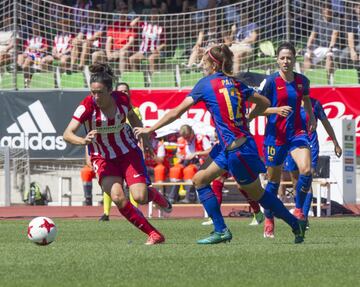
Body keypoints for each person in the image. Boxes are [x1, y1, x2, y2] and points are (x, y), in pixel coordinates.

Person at [135, 44, 307, 244]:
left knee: (258, 194)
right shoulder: (236, 83)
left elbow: (176, 112)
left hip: (237, 150)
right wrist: (249, 116)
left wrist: (150, 129)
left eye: (204, 61)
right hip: (232, 145)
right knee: (199, 180)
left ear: (214, 64)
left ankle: (295, 224)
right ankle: (220, 229)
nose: (202, 64)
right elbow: (265, 103)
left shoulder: (205, 84)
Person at [63, 63, 172, 245]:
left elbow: (133, 117)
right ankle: (154, 234)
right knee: (118, 197)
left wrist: (144, 138)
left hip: (128, 152)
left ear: (110, 90)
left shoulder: (121, 98)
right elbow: (67, 134)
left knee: (140, 197)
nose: (96, 96)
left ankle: (156, 197)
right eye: (93, 92)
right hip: (102, 157)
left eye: (100, 92)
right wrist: (83, 141)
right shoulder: (86, 106)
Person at [258, 41, 317, 239]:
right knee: (273, 182)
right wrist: (275, 110)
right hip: (275, 136)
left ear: (294, 60)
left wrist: (312, 118)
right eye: (282, 58)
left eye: (289, 58)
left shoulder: (302, 81)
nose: (285, 61)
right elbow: (255, 109)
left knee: (307, 170)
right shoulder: (269, 82)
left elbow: (307, 101)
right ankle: (269, 219)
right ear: (277, 60)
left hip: (297, 133)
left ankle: (299, 209)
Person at [283, 97, 342, 223]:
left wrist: (336, 143)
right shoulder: (290, 102)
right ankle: (300, 210)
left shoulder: (315, 104)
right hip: (292, 146)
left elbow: (326, 123)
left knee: (307, 178)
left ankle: (304, 214)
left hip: (310, 146)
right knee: (295, 181)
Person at [98, 81, 143, 221]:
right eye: (121, 91)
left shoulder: (134, 111)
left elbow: (136, 129)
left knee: (132, 186)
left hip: (129, 151)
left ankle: (135, 211)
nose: (123, 93)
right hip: (110, 152)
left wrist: (142, 145)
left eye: (126, 91)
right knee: (111, 182)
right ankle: (106, 213)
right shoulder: (106, 110)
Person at [167, 124, 212, 204]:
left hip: (199, 162)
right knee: (175, 170)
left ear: (192, 133)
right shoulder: (181, 139)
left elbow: (210, 150)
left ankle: (190, 197)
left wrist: (196, 153)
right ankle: (173, 197)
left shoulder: (201, 138)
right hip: (185, 161)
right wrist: (179, 155)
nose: (186, 139)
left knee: (189, 170)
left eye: (187, 137)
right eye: (185, 137)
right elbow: (178, 153)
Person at [303, 2, 340, 84]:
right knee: (307, 56)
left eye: (329, 11)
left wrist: (330, 49)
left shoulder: (336, 20)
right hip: (321, 47)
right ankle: (306, 81)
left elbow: (334, 35)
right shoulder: (318, 21)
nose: (328, 13)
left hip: (332, 47)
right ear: (323, 11)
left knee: (329, 56)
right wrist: (309, 48)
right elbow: (312, 36)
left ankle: (328, 81)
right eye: (326, 11)